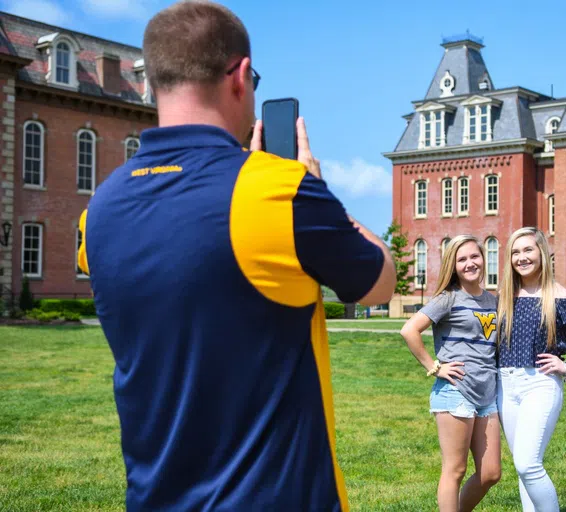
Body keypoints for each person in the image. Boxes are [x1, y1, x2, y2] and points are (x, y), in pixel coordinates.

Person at [76, 2, 395, 510]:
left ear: (149, 83)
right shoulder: (279, 191)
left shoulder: (98, 213)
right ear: (241, 75)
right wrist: (318, 191)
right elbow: (380, 281)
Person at [496, 227, 566, 512]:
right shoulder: (505, 294)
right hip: (505, 386)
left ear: (541, 252)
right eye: (515, 252)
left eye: (528, 250)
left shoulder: (559, 296)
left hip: (540, 385)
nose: (522, 258)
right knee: (523, 465)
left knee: (527, 463)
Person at [400, 235, 501, 512]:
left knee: (491, 473)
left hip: (487, 394)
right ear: (453, 266)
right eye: (462, 259)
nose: (470, 263)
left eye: (474, 256)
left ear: (484, 257)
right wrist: (434, 367)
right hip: (456, 392)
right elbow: (409, 330)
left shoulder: (493, 300)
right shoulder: (448, 298)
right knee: (455, 470)